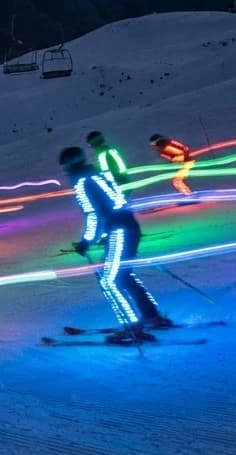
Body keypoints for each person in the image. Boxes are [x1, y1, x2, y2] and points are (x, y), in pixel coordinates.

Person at [59, 146, 174, 345]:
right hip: (128, 227)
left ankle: (133, 326)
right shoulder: (96, 175)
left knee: (110, 281)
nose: (65, 171)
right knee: (124, 276)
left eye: (65, 166)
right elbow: (116, 202)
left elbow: (95, 215)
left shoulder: (83, 182)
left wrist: (87, 241)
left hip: (119, 230)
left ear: (70, 165)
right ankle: (151, 316)